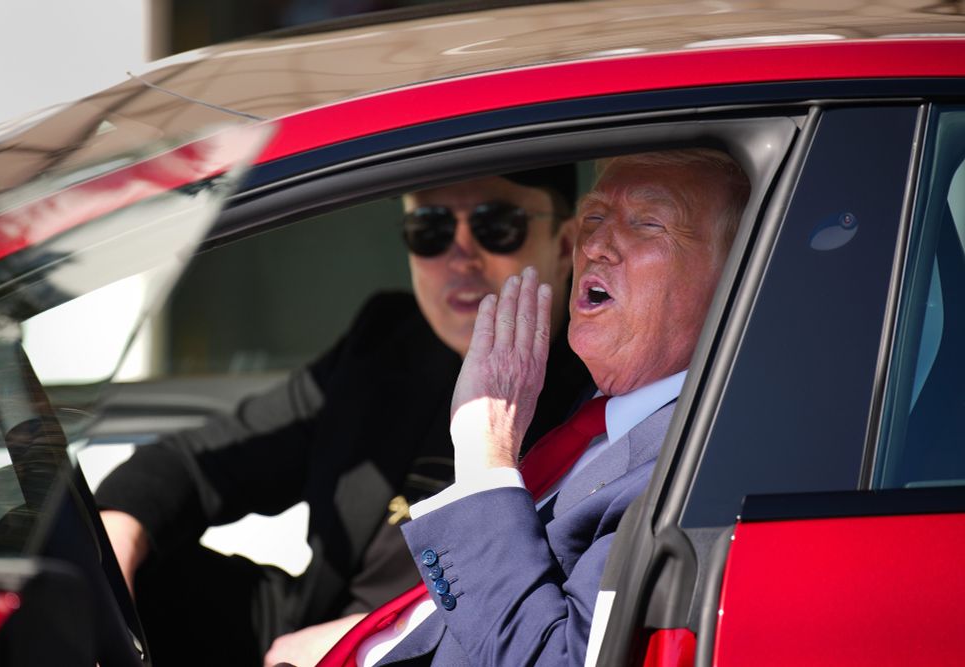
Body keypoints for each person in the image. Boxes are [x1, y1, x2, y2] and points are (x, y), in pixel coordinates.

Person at [94, 166, 592, 667]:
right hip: (306, 627)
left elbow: (550, 621)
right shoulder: (386, 342)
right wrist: (113, 545)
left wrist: (375, 635)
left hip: (440, 649)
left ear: (565, 244)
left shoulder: (595, 392)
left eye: (496, 225)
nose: (461, 256)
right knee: (90, 565)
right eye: (430, 228)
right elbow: (197, 463)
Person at [331, 148, 750, 666]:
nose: (593, 246)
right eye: (594, 218)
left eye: (647, 223)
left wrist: (485, 455)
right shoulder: (594, 409)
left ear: (736, 272)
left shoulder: (695, 467)